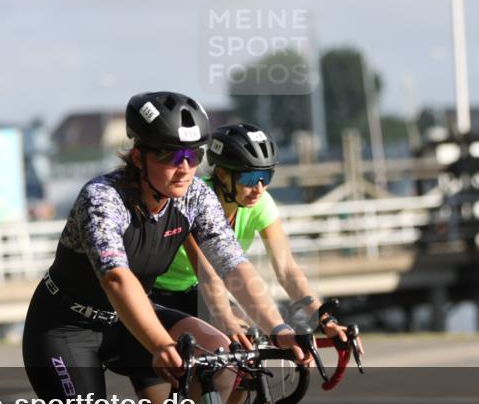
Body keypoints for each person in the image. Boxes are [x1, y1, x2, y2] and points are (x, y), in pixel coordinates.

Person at [21, 93, 309, 404]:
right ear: (138, 157)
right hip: (65, 328)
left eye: (193, 155)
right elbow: (116, 279)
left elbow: (233, 265)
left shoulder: (194, 197)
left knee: (221, 353)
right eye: (171, 155)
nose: (185, 167)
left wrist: (281, 327)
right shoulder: (103, 198)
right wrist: (159, 343)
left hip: (123, 321)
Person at [150, 123, 357, 348]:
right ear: (222, 174)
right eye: (249, 178)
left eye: (266, 177)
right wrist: (228, 321)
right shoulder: (195, 201)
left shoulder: (260, 203)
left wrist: (323, 318)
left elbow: (287, 269)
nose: (259, 188)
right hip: (156, 292)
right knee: (220, 343)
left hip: (194, 291)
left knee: (251, 339)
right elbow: (209, 274)